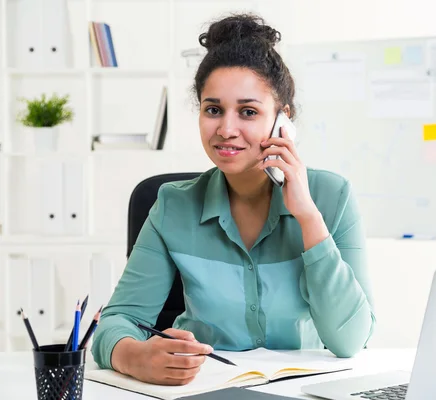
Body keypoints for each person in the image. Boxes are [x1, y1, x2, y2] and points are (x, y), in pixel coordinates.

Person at [91, 13, 376, 386]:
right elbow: (117, 321)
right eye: (213, 110)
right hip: (203, 389)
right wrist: (134, 356)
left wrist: (307, 216)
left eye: (248, 112)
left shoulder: (332, 197)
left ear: (282, 122)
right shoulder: (172, 206)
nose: (226, 129)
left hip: (302, 391)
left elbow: (351, 340)